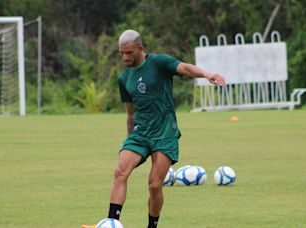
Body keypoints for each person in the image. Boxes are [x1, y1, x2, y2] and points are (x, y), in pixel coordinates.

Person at [83, 29, 225, 228]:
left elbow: (185, 68)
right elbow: (130, 114)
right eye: (121, 53)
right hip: (140, 133)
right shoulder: (124, 79)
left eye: (129, 53)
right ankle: (111, 223)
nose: (124, 57)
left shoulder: (159, 63)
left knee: (154, 184)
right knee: (120, 172)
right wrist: (128, 140)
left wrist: (207, 74)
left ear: (140, 48)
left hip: (165, 133)